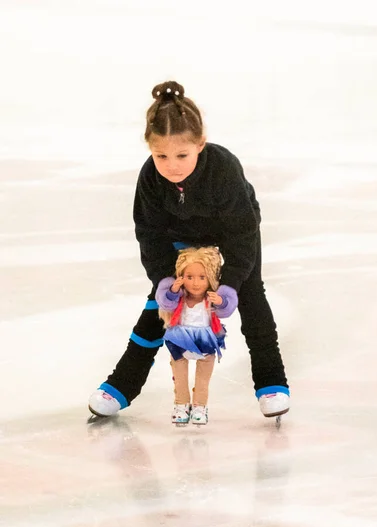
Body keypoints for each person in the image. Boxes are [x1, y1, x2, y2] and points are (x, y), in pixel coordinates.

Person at [88, 80, 290, 419]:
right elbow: (150, 235)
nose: (172, 165)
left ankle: (272, 383)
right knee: (161, 304)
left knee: (251, 295)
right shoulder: (151, 178)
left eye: (182, 155)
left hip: (231, 234)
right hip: (179, 236)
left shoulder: (223, 168)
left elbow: (242, 234)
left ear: (200, 144)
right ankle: (122, 384)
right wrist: (166, 280)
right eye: (160, 155)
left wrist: (231, 283)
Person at [156, 246, 237, 426]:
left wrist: (221, 301)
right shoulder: (180, 297)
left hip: (205, 340)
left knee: (203, 378)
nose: (195, 283)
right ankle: (181, 404)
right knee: (179, 375)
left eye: (202, 277)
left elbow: (226, 310)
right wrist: (173, 291)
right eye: (189, 277)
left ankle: (200, 406)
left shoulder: (211, 298)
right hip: (180, 339)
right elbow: (166, 304)